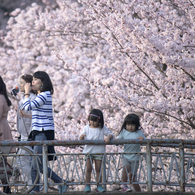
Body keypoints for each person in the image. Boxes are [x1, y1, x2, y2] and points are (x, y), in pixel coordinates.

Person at [22, 71, 68, 194]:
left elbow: (27, 106)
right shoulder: (40, 96)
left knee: (36, 163)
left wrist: (26, 92)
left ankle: (61, 182)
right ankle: (36, 189)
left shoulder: (45, 95)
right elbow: (38, 115)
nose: (33, 82)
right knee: (34, 162)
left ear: (43, 82)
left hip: (42, 133)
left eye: (36, 80)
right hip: (38, 132)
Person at [79, 109, 114, 193]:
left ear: (99, 120)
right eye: (91, 120)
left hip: (99, 151)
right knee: (88, 169)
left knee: (98, 169)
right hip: (89, 152)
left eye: (95, 121)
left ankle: (99, 185)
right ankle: (87, 185)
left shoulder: (102, 128)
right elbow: (81, 137)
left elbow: (111, 134)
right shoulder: (86, 128)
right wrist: (81, 137)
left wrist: (108, 138)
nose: (93, 123)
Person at [117, 113, 145, 192]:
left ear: (137, 125)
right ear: (125, 125)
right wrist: (118, 141)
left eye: (133, 125)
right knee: (126, 168)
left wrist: (142, 138)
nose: (130, 127)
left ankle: (138, 191)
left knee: (132, 177)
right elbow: (117, 140)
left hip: (135, 157)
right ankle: (124, 186)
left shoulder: (139, 132)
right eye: (128, 125)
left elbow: (144, 140)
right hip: (126, 155)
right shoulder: (123, 132)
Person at [0, 76, 13, 194]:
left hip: (0, 128)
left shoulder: (0, 98)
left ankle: (6, 186)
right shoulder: (3, 97)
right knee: (1, 160)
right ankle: (6, 186)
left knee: (1, 161)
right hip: (3, 126)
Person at [17, 74, 36, 141]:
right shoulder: (22, 98)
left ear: (28, 85)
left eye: (22, 83)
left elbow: (36, 115)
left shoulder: (33, 98)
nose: (20, 85)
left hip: (29, 132)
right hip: (23, 132)